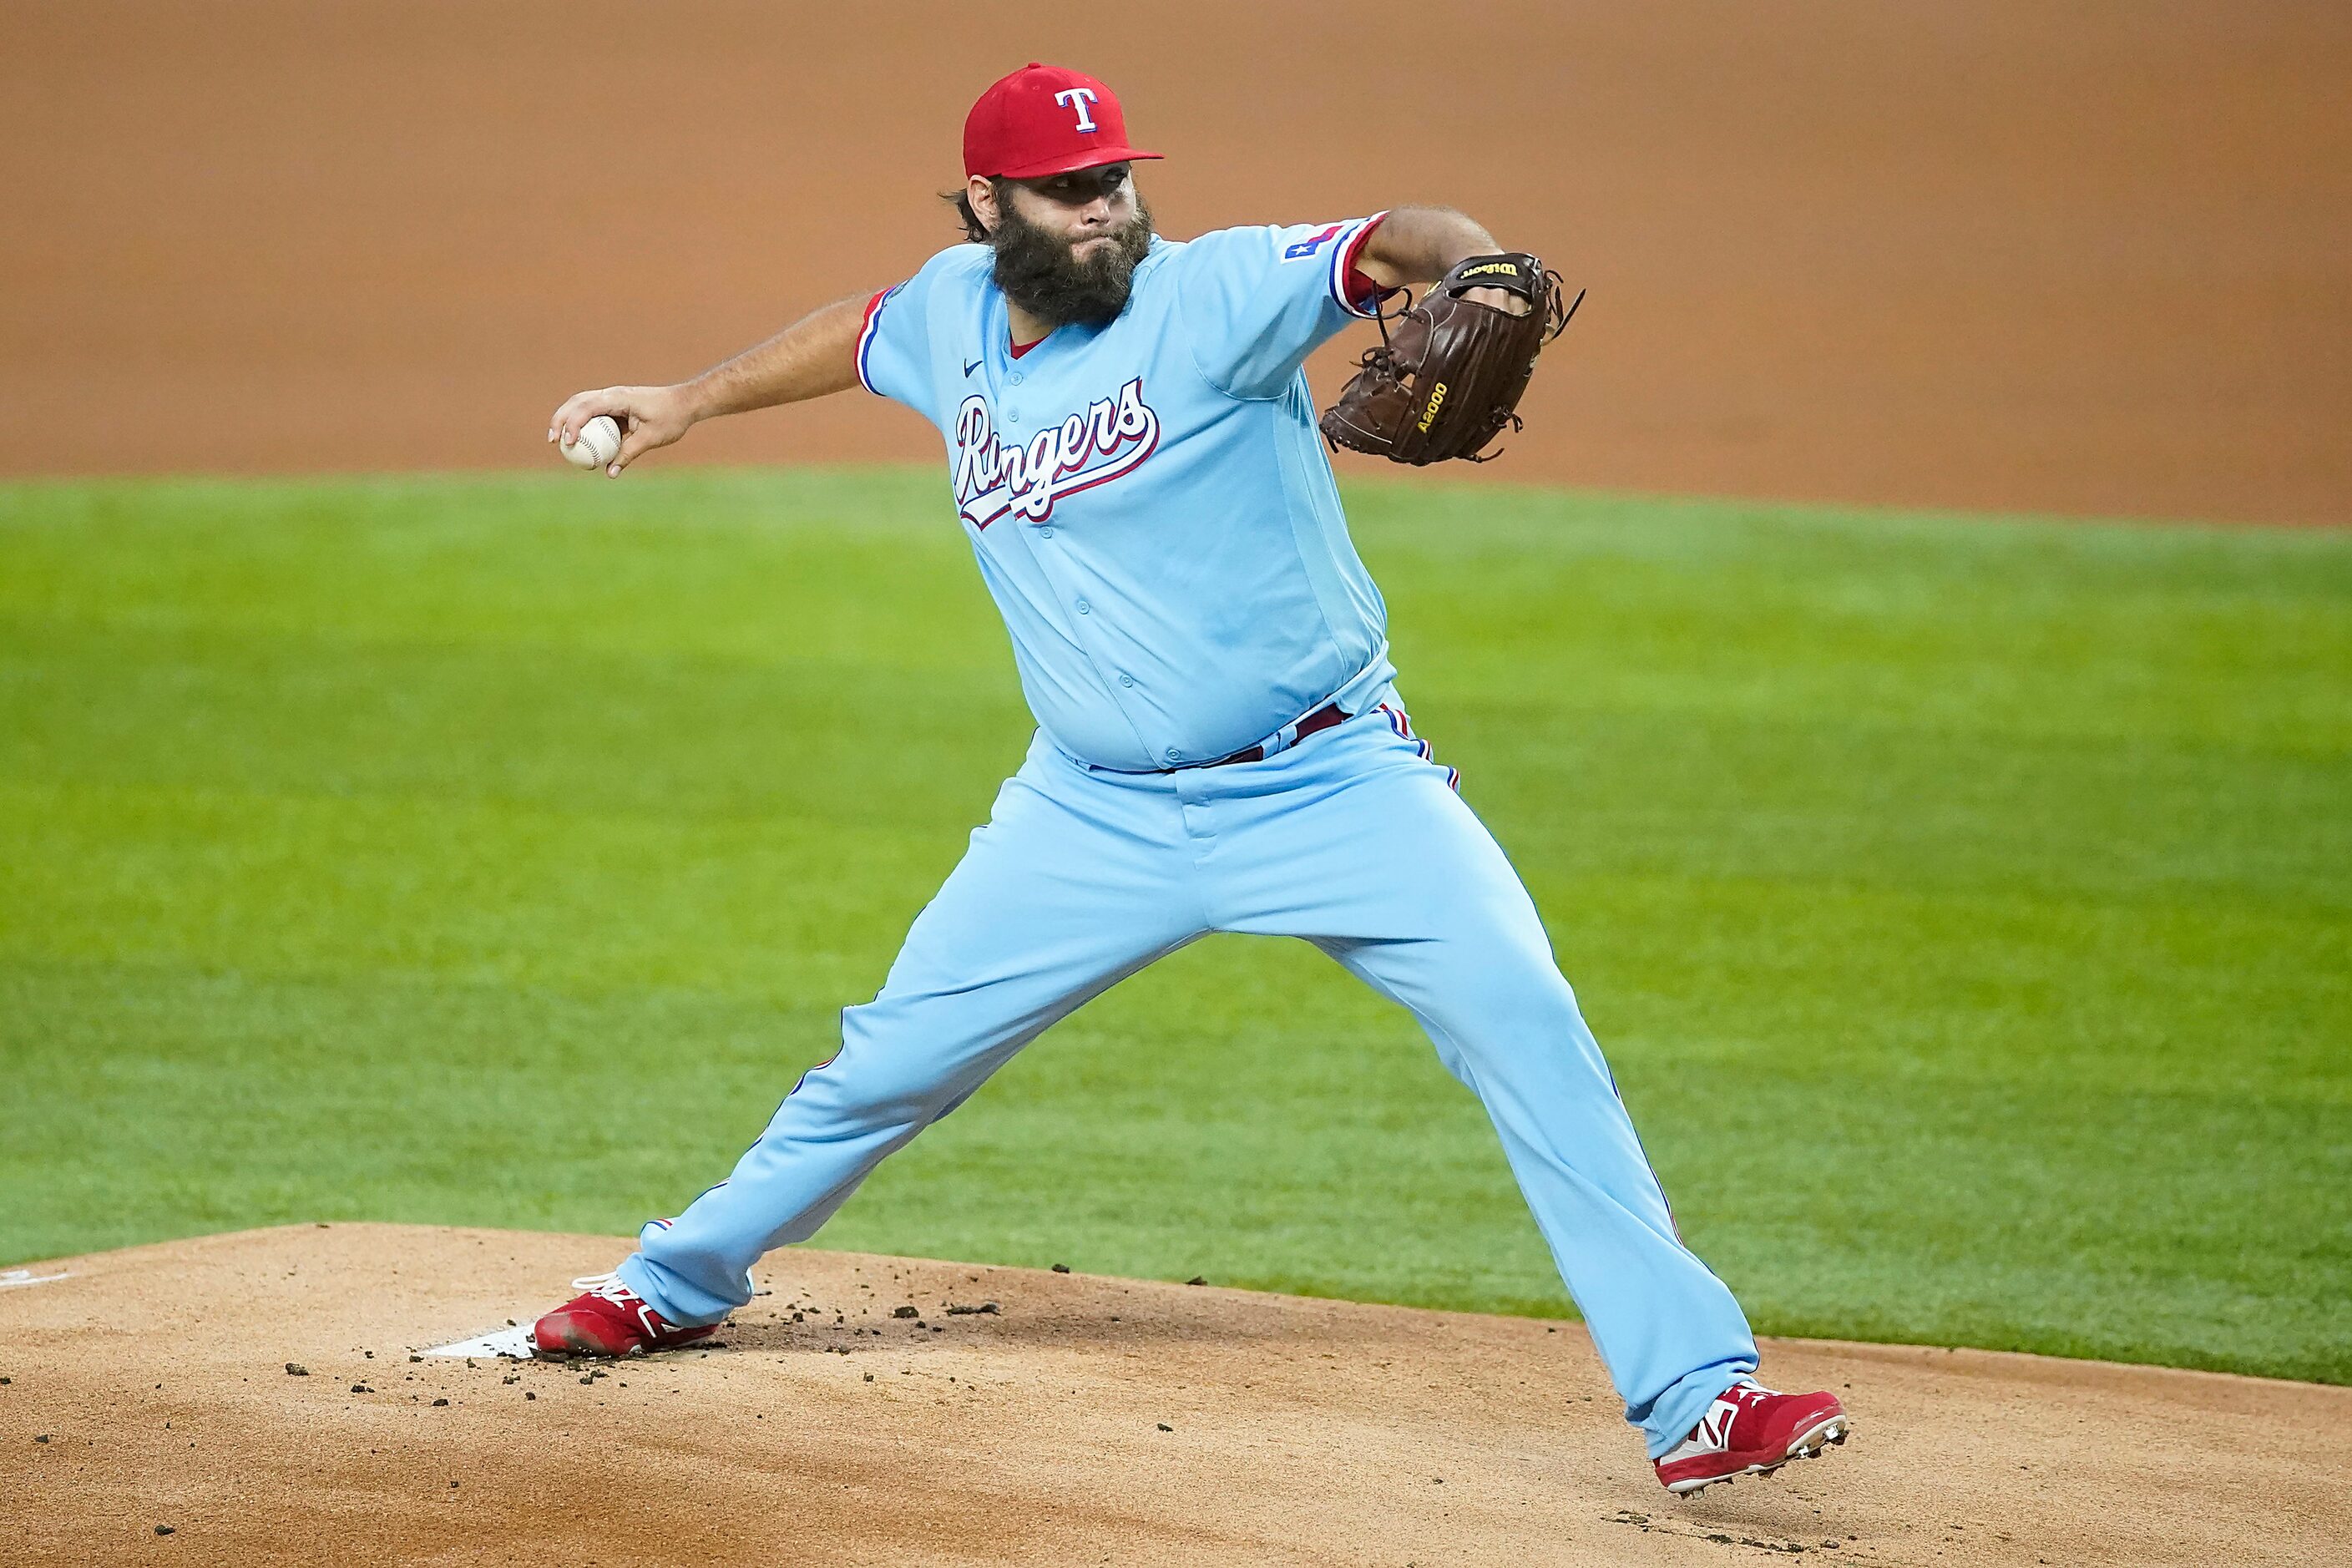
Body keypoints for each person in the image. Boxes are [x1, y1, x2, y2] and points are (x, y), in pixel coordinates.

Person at [537, 62, 1849, 1497]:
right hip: (1086, 811)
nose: (1106, 212)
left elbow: (1401, 234)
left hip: (1334, 781)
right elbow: (859, 334)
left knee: (1527, 1021)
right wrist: (682, 400)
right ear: (988, 205)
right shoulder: (945, 311)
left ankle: (1699, 1396)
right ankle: (678, 1279)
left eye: (1117, 181)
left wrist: (1472, 264)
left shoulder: (1215, 292)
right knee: (890, 1060)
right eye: (1069, 189)